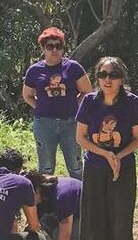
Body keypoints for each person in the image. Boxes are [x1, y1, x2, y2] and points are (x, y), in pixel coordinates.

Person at [75, 57, 138, 240]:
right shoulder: (89, 102)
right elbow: (81, 137)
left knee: (120, 218)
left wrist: (118, 156)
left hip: (123, 166)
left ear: (121, 79)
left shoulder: (131, 102)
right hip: (95, 165)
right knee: (93, 217)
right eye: (102, 75)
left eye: (112, 75)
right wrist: (106, 155)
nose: (107, 80)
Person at [22, 27, 92, 180]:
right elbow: (27, 95)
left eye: (58, 46)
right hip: (44, 124)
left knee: (76, 166)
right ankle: (47, 201)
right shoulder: (34, 70)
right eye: (50, 46)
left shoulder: (73, 67)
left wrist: (75, 104)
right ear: (42, 48)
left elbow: (87, 91)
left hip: (71, 123)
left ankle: (80, 199)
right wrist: (40, 106)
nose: (55, 50)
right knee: (45, 167)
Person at [23, 170, 80, 240]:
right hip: (72, 214)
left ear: (38, 190)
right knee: (46, 221)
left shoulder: (62, 196)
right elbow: (32, 226)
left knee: (62, 236)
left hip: (90, 218)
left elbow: (65, 234)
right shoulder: (42, 194)